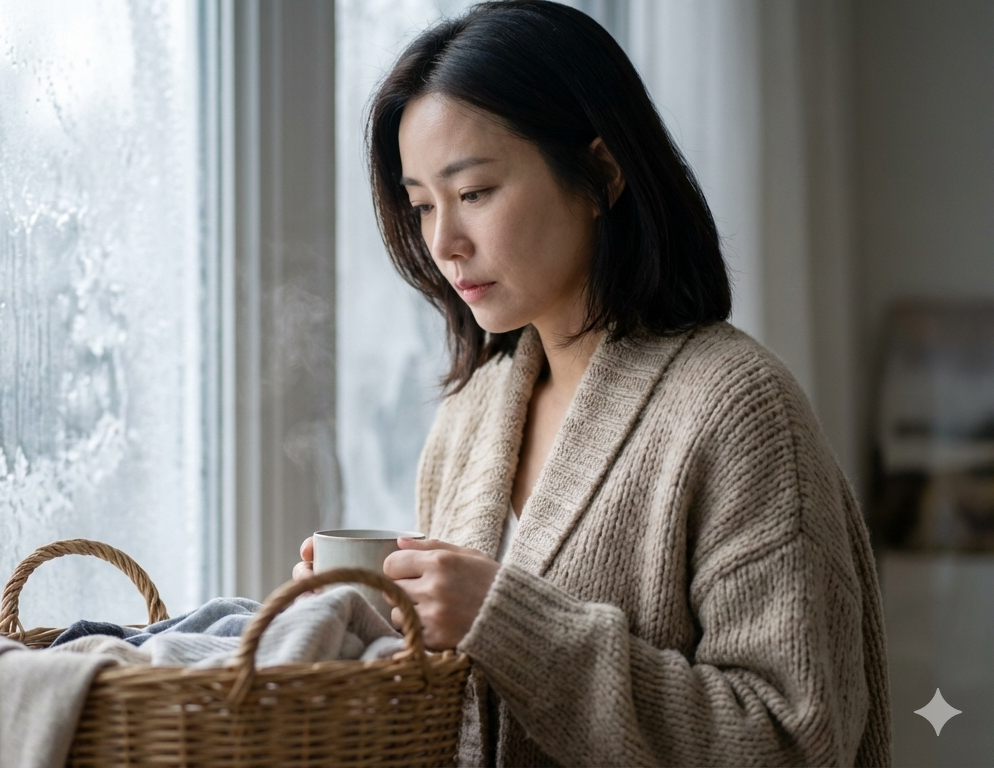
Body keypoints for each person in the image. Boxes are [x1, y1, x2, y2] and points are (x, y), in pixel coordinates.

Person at [293, 2, 891, 765]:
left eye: (473, 192)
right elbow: (474, 706)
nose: (444, 241)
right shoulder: (470, 419)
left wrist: (506, 621)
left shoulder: (739, 409)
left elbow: (791, 739)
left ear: (601, 173)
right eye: (421, 206)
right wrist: (374, 622)